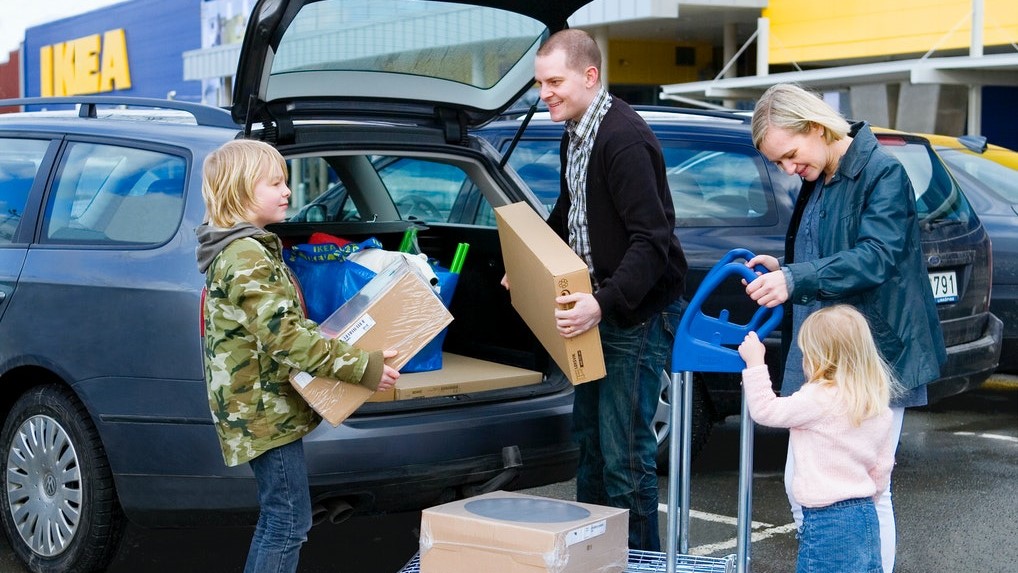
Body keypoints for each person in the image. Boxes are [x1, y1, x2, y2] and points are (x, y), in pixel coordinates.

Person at [744, 83, 946, 572]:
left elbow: (876, 257)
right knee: (806, 482)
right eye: (780, 163)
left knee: (870, 488)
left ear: (816, 128)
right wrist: (787, 264)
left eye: (790, 155)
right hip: (828, 348)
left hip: (871, 352)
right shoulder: (825, 171)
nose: (789, 169)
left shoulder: (883, 173)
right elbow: (831, 245)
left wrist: (796, 278)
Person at [195, 139, 400, 573]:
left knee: (286, 517)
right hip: (262, 410)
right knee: (287, 521)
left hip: (260, 404)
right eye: (275, 183)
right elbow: (286, 339)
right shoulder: (246, 254)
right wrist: (364, 367)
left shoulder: (246, 247)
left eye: (286, 182)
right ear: (240, 190)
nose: (287, 191)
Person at [532, 28, 688, 551]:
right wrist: (530, 262)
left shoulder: (622, 137)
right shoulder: (573, 132)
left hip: (633, 314)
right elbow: (569, 212)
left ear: (590, 76)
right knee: (591, 449)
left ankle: (639, 563)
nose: (544, 93)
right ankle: (593, 558)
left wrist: (601, 302)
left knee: (625, 459)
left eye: (554, 81)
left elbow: (654, 240)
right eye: (540, 83)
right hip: (597, 309)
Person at [738, 305, 898, 573]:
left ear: (820, 357)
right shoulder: (875, 405)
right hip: (865, 516)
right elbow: (882, 470)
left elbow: (765, 410)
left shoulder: (817, 397)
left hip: (827, 520)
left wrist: (755, 364)